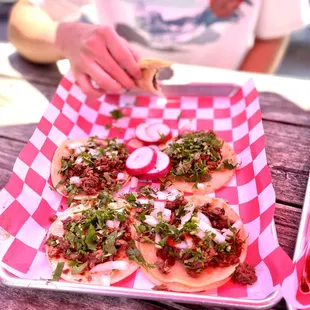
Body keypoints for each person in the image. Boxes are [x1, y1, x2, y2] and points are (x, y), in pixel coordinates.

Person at [8, 0, 310, 97]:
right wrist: (62, 37)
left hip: (218, 97)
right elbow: (23, 23)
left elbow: (271, 35)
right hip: (119, 98)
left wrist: (233, 92)